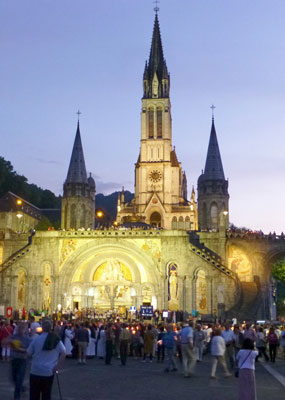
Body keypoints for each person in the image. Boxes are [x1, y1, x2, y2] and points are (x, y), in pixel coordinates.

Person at [27, 319, 66, 400]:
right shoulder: (56, 340)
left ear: (42, 328)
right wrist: (57, 366)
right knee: (46, 395)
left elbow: (28, 353)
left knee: (34, 395)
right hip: (48, 371)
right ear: (51, 328)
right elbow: (63, 352)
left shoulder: (36, 339)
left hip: (35, 370)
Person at [4, 322, 30, 400]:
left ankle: (17, 396)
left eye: (22, 328)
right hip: (14, 359)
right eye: (19, 328)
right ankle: (22, 388)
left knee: (19, 378)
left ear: (25, 329)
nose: (20, 330)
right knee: (13, 378)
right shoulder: (13, 336)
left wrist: (21, 349)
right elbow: (3, 341)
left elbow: (29, 351)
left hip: (22, 360)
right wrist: (10, 342)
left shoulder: (27, 339)